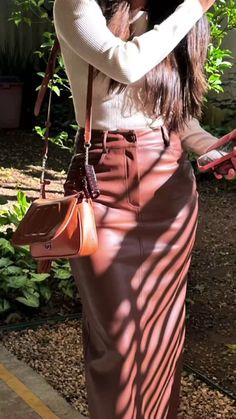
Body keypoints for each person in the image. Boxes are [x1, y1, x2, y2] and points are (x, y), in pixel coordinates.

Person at [53, 0, 235, 418]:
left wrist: (209, 147)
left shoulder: (166, 13)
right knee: (116, 341)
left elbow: (174, 115)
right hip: (104, 186)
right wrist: (193, 8)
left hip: (169, 186)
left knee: (163, 336)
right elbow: (125, 64)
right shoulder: (77, 6)